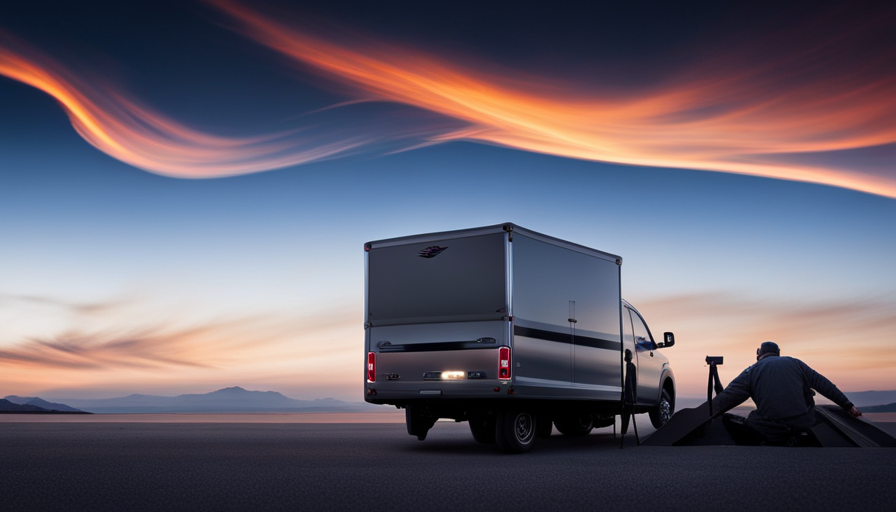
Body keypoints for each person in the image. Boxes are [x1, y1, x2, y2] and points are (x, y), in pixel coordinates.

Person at [711, 341, 862, 445]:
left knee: (751, 419)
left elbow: (726, 398)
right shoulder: (795, 363)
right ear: (778, 353)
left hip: (771, 427)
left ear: (759, 355)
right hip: (804, 421)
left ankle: (773, 439)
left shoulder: (751, 371)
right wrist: (848, 405)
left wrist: (706, 414)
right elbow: (824, 384)